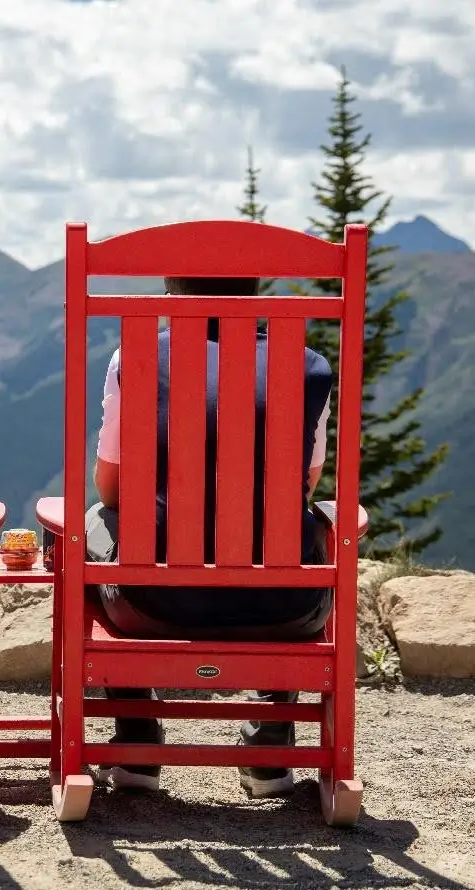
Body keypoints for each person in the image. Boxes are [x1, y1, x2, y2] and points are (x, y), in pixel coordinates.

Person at [87, 275, 335, 797]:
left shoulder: (134, 357)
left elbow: (110, 488)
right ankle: (270, 740)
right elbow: (305, 485)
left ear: (172, 293)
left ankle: (135, 736)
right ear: (254, 290)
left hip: (151, 600)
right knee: (295, 527)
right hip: (285, 607)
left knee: (96, 519)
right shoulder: (309, 366)